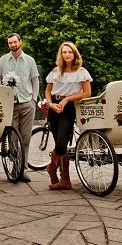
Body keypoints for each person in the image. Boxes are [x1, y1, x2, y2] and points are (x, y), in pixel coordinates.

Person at [44, 42, 92, 190]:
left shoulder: (82, 71)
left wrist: (67, 99)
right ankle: (64, 179)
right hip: (54, 109)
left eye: (69, 52)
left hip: (69, 108)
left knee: (61, 144)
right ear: (61, 54)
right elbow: (48, 91)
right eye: (64, 52)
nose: (67, 55)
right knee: (59, 143)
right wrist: (50, 104)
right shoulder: (56, 71)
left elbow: (86, 93)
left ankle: (51, 167)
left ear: (74, 53)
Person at [0, 33, 38, 182]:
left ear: (20, 42)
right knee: (13, 138)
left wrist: (34, 99)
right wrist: (0, 96)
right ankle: (15, 165)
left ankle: (22, 169)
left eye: (14, 42)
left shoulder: (30, 60)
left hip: (27, 103)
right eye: (10, 43)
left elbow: (35, 81)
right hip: (9, 104)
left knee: (25, 138)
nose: (13, 45)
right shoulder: (3, 60)